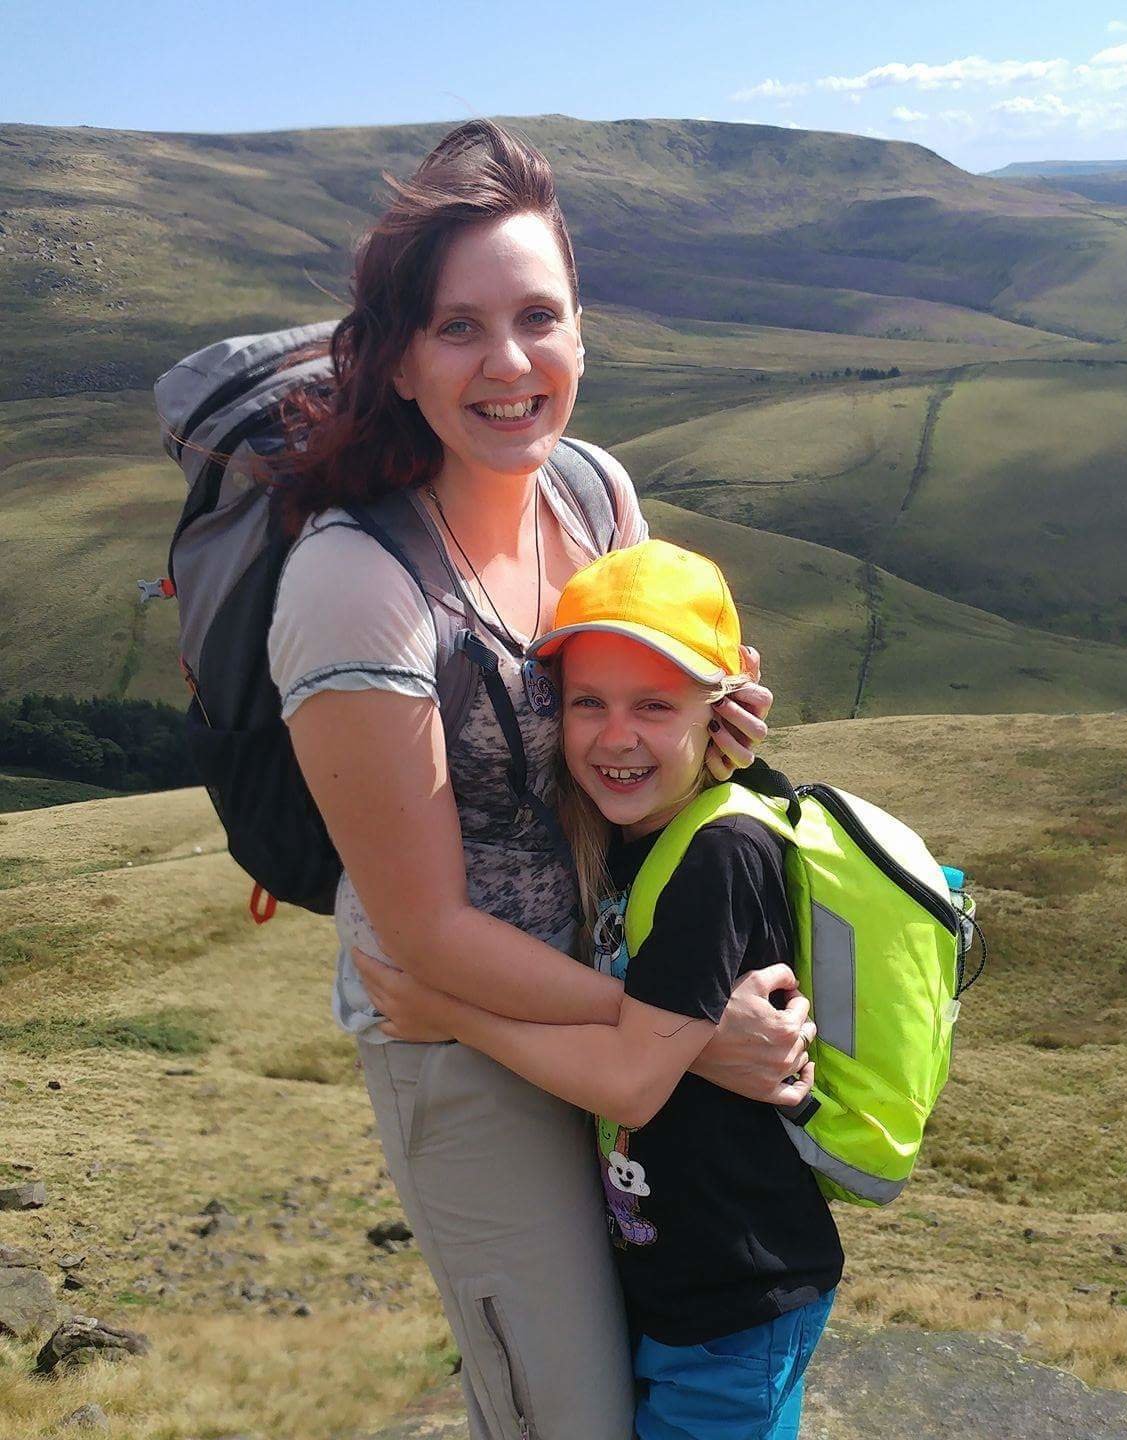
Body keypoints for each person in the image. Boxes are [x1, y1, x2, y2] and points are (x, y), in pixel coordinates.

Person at [267, 122, 816, 1440]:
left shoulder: (591, 492)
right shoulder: (357, 586)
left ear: (582, 333)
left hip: (626, 1005)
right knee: (566, 1412)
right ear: (397, 359)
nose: (508, 364)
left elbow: (640, 744)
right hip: (460, 1036)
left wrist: (707, 731)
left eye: (537, 317)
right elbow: (424, 935)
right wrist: (679, 1042)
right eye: (459, 329)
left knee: (667, 1368)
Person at [356, 539, 844, 1440]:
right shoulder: (628, 833)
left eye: (654, 706)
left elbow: (630, 1082)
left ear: (723, 704)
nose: (615, 738)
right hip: (674, 1280)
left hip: (738, 1298)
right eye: (588, 703)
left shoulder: (717, 854)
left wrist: (448, 1013)